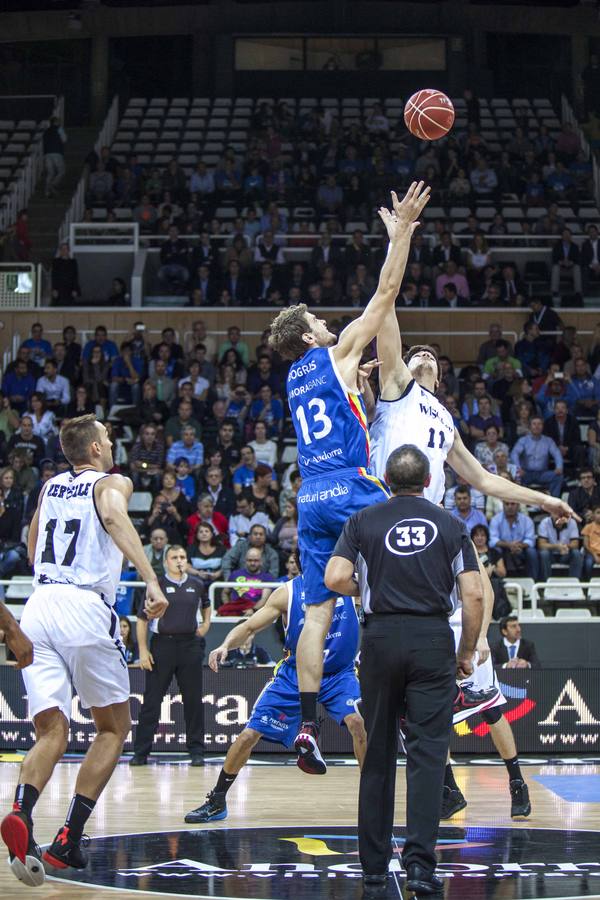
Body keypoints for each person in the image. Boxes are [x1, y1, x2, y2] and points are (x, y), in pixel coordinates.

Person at [368, 313, 562, 818]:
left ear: (443, 374)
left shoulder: (445, 420)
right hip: (388, 530)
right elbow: (385, 311)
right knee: (409, 682)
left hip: (430, 535)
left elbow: (487, 482)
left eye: (433, 353)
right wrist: (397, 242)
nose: (425, 354)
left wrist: (544, 499)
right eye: (417, 353)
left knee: (483, 689)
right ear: (403, 366)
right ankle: (444, 784)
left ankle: (514, 779)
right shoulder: (396, 388)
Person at [268, 181, 431, 773]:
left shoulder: (293, 379)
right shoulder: (332, 355)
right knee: (401, 576)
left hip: (308, 493)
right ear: (310, 335)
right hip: (350, 484)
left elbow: (335, 408)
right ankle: (416, 705)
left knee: (315, 611)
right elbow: (385, 295)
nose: (325, 320)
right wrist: (402, 233)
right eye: (318, 318)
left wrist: (356, 391)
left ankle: (308, 727)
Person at [0, 414, 168, 885]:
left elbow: (33, 550)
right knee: (113, 728)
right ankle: (70, 836)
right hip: (85, 607)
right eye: (109, 437)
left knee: (50, 731)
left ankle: (21, 811)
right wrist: (151, 580)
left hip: (39, 606)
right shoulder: (112, 482)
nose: (113, 442)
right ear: (95, 448)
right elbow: (113, 516)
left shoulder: (48, 487)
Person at [324, 445, 483, 898]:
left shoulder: (362, 521)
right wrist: (466, 651)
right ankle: (419, 867)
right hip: (432, 640)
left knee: (376, 755)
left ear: (386, 480)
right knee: (428, 756)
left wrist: (368, 586)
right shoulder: (452, 524)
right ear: (429, 477)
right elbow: (473, 596)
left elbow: (335, 577)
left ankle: (373, 868)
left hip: (380, 639)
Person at [185, 570, 365, 824]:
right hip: (295, 674)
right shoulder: (288, 593)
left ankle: (372, 797)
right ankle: (216, 800)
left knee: (359, 723)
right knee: (249, 734)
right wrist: (225, 644)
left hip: (338, 674)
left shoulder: (348, 585)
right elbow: (249, 627)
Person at [130, 544, 210, 767]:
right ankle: (141, 752)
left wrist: (206, 624)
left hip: (190, 645)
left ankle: (196, 751)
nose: (179, 560)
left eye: (183, 556)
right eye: (174, 557)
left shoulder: (197, 583)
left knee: (193, 700)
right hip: (162, 645)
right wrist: (143, 651)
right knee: (152, 700)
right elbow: (142, 619)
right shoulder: (157, 585)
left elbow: (207, 604)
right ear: (166, 561)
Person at [510, 417, 564, 498]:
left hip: (542, 473)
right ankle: (522, 503)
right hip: (526, 473)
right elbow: (514, 454)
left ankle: (553, 502)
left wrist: (559, 467)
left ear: (542, 426)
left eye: (539, 424)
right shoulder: (523, 440)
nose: (537, 426)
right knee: (516, 477)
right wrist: (518, 468)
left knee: (558, 477)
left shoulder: (548, 441)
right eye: (534, 424)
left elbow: (557, 454)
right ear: (530, 426)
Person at [537, 513, 582, 581]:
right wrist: (557, 547)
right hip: (551, 554)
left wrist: (565, 546)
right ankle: (545, 584)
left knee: (576, 553)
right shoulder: (545, 522)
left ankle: (574, 583)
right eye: (556, 513)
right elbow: (541, 545)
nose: (559, 518)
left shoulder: (572, 522)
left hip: (566, 553)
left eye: (561, 515)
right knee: (544, 553)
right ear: (551, 514)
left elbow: (575, 544)